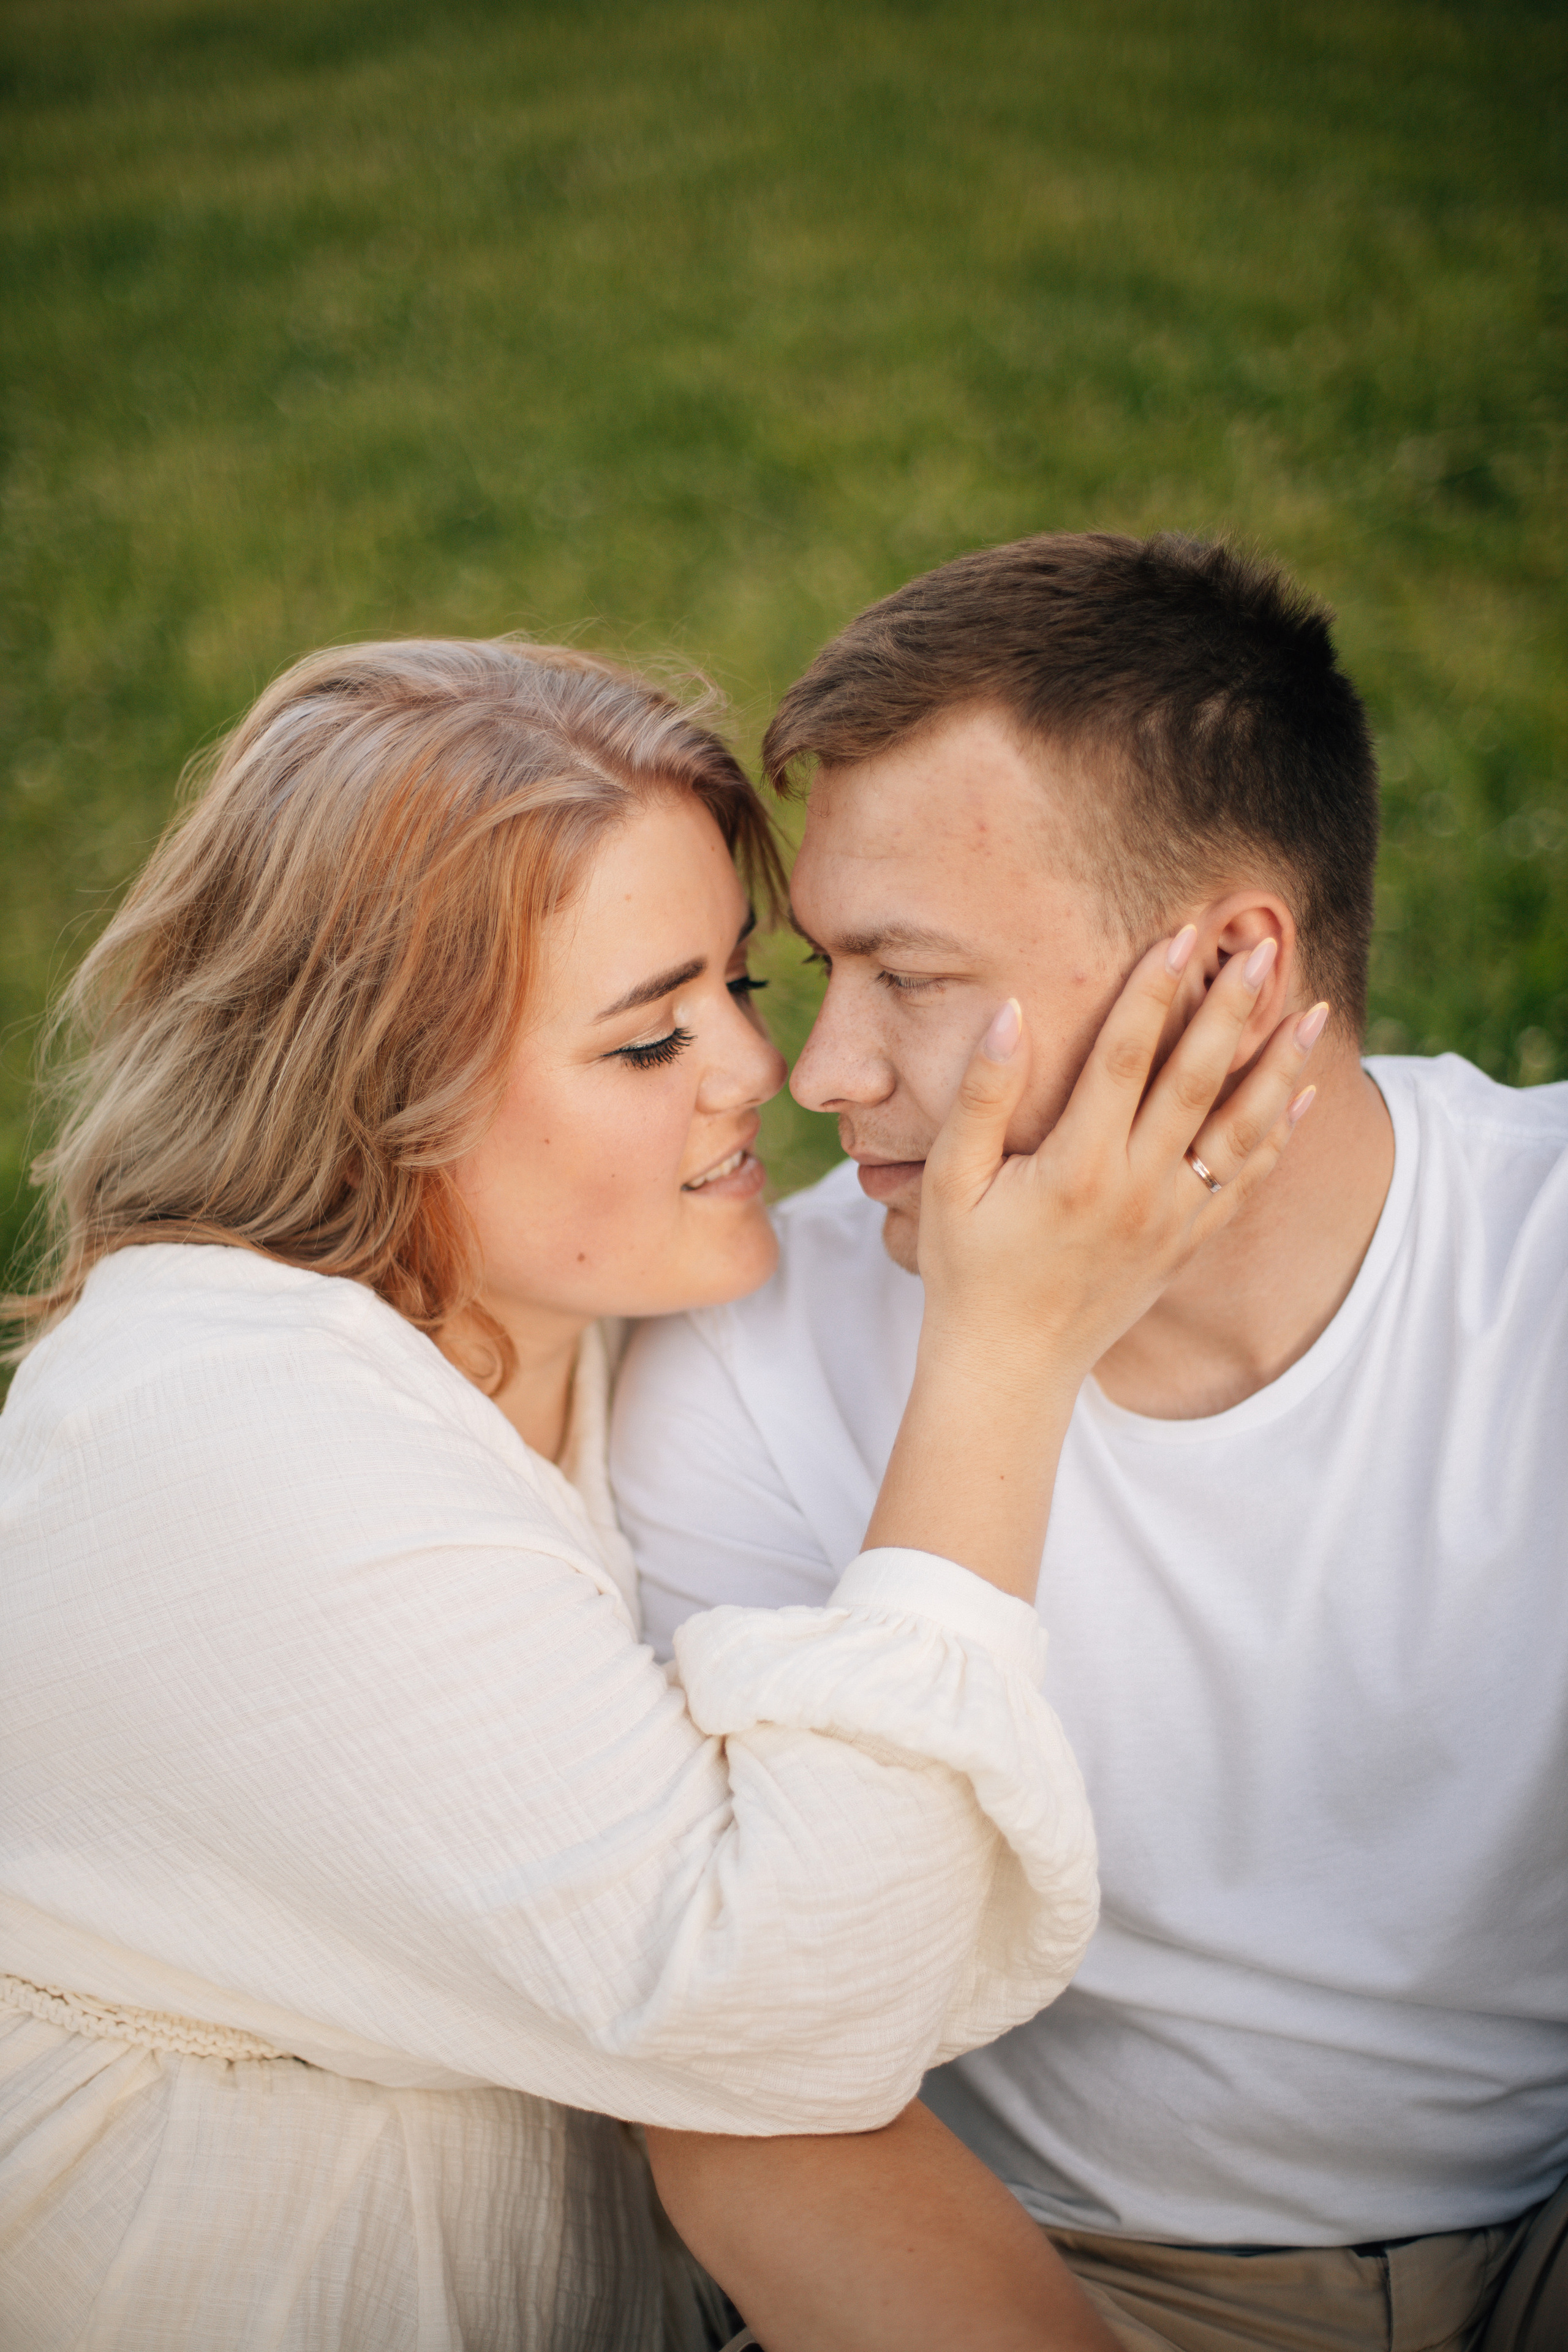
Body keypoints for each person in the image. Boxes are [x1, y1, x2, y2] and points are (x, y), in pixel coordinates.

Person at [0, 635, 1313, 2352]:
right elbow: (789, 2013)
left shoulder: (584, 1341)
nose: (760, 1074)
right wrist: (1008, 1354)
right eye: (644, 1042)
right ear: (378, 1094)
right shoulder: (221, 1435)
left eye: (738, 990)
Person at [611, 533, 1568, 2352]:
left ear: (1226, 969)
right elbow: (756, 2084)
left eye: (907, 974)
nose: (822, 1077)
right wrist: (1005, 1347)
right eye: (819, 971)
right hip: (1056, 2276)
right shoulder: (750, 1352)